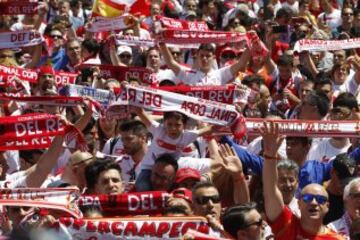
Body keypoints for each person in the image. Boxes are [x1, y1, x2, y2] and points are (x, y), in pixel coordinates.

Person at [261, 121, 344, 239]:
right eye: (307, 198)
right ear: (299, 203)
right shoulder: (286, 223)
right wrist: (270, 155)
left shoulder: (337, 239)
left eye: (320, 200)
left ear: (327, 206)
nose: (314, 203)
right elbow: (270, 190)